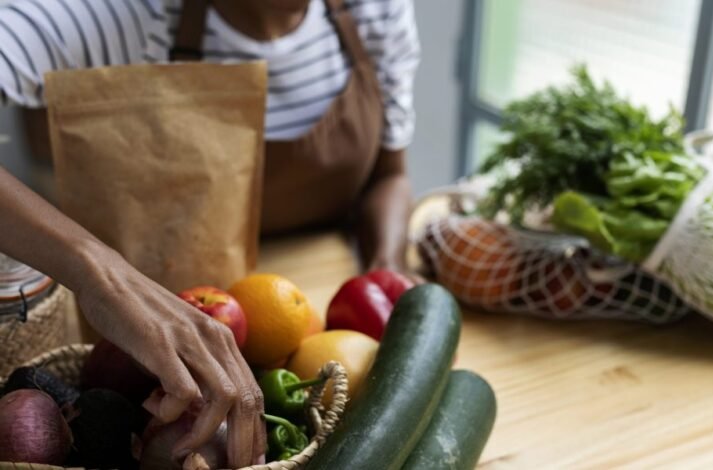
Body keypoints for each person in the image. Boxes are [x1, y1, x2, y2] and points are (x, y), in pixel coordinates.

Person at [0, 0, 420, 466]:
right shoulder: (116, 14)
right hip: (140, 333)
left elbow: (389, 173)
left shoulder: (376, 10)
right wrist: (100, 273)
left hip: (312, 320)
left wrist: (385, 271)